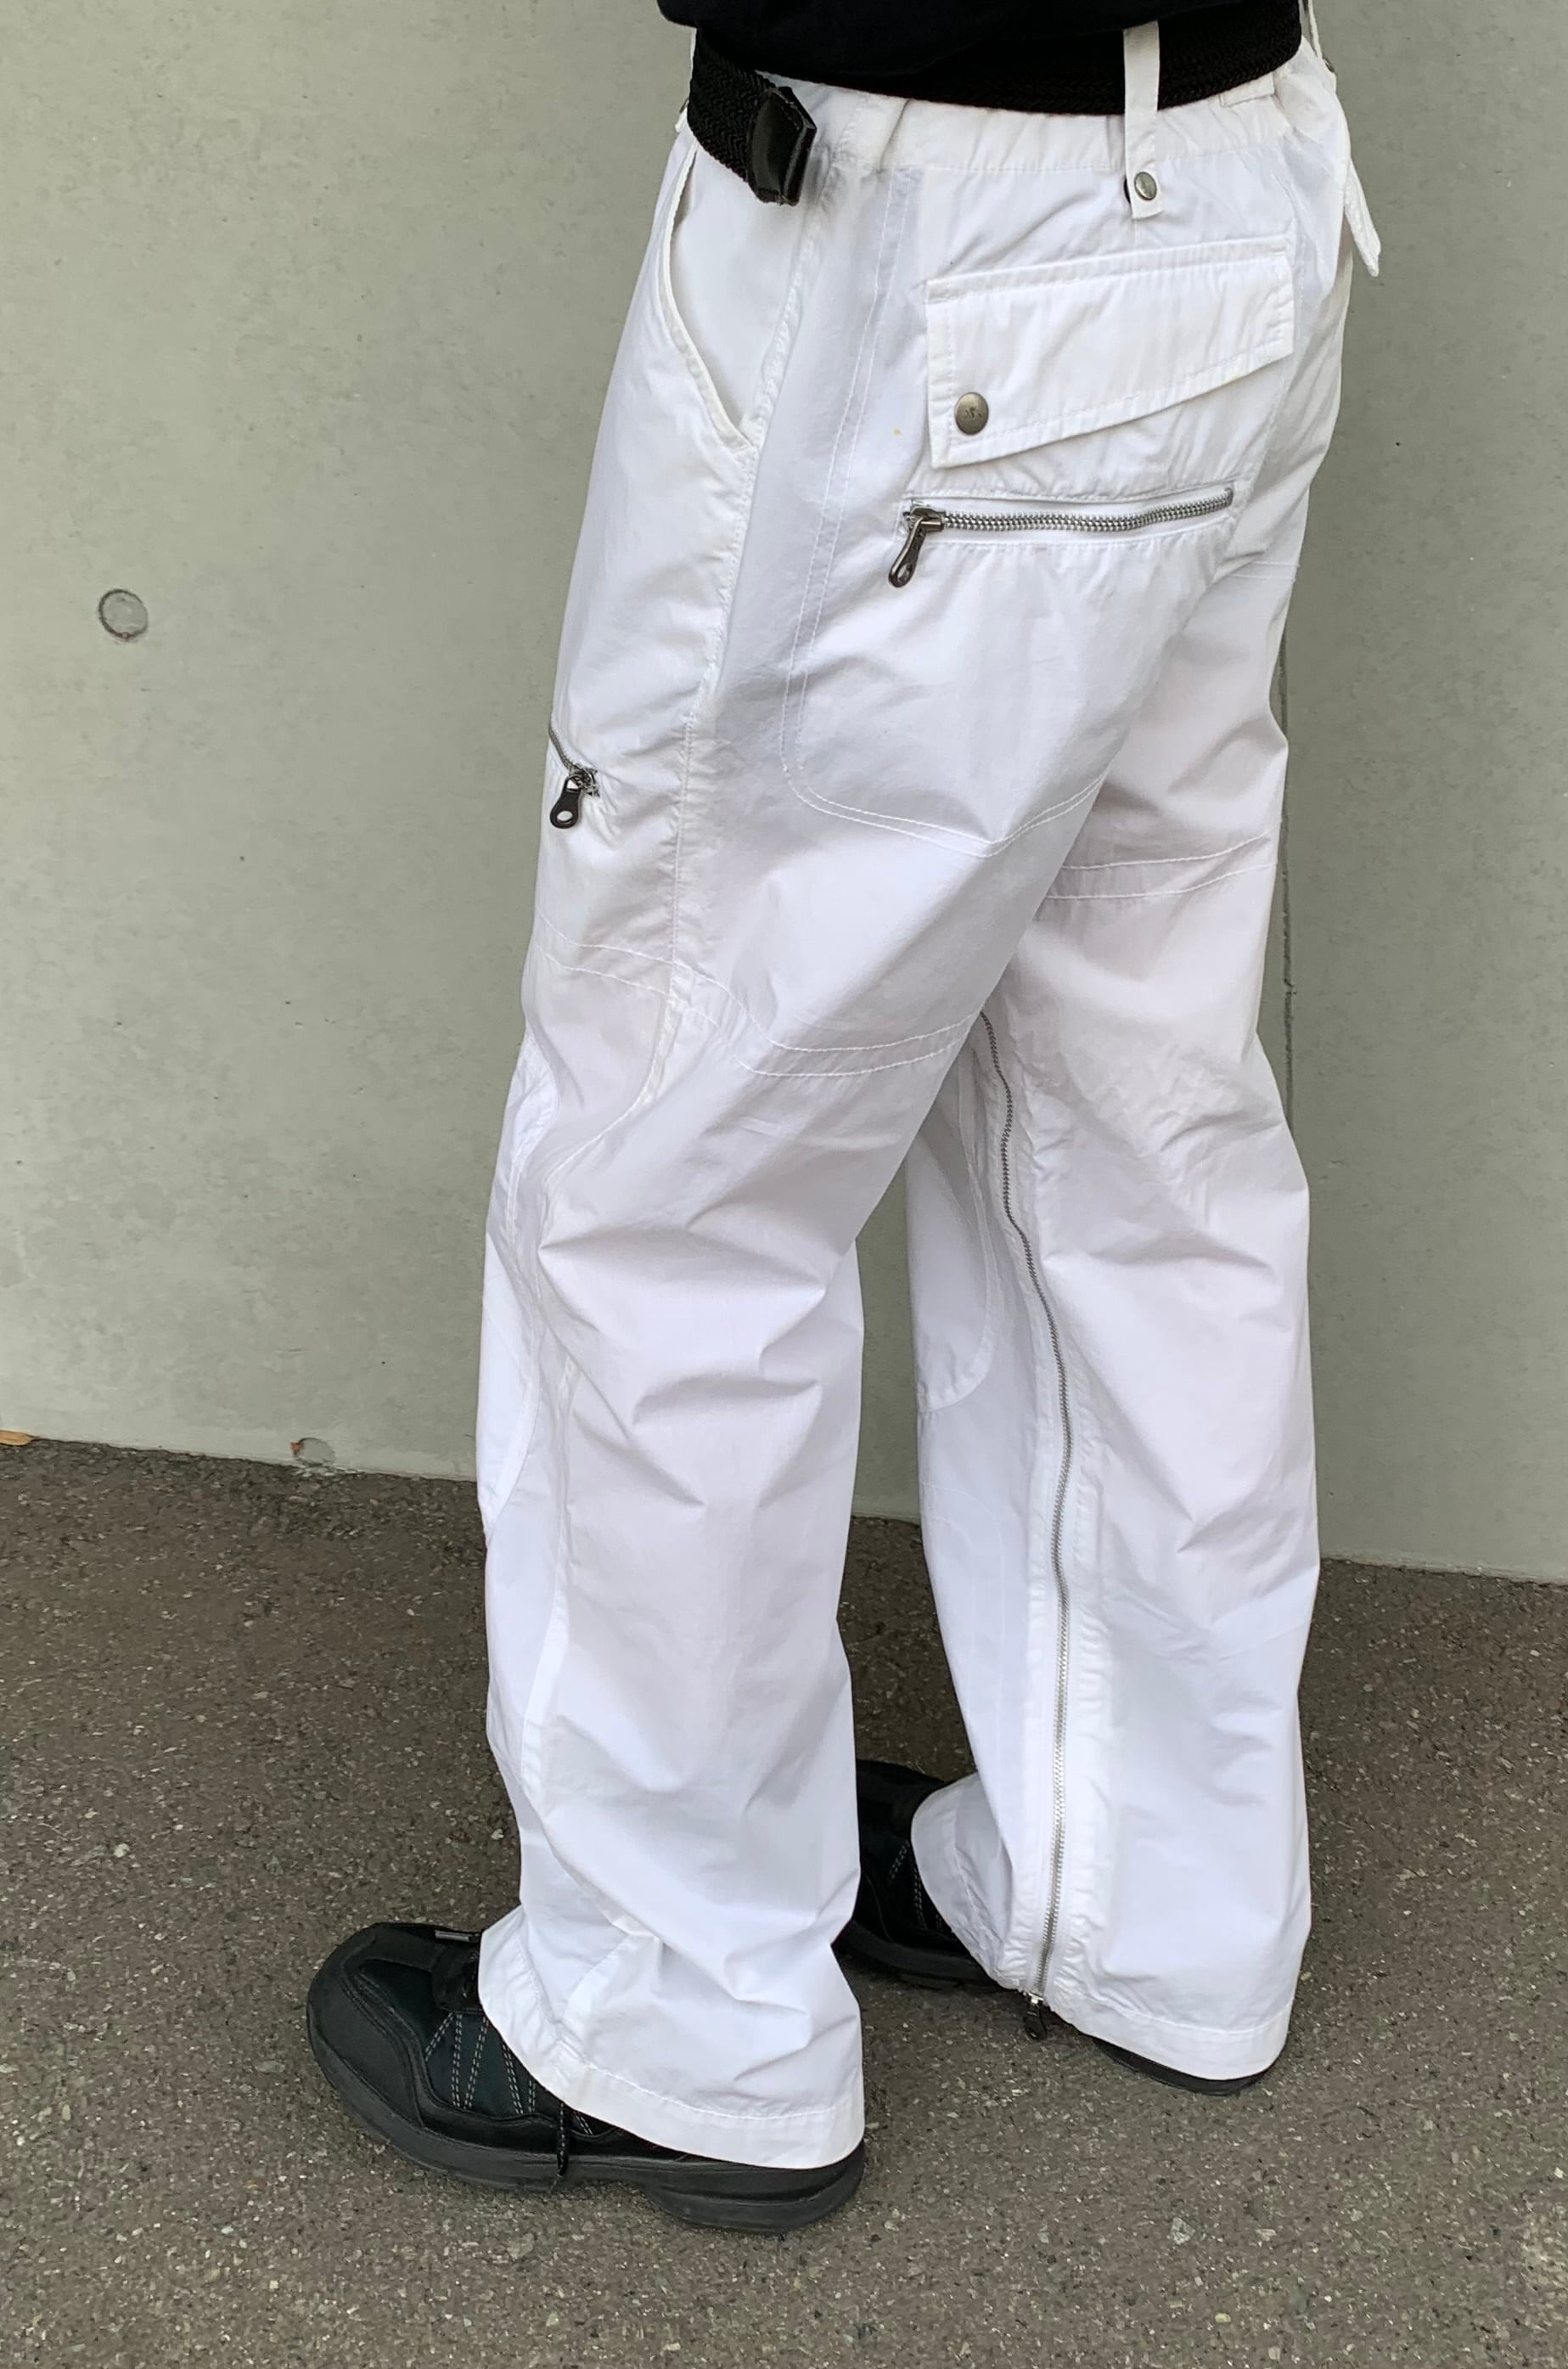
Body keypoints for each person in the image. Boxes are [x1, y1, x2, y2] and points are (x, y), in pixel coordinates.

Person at [306, 0, 1378, 2231]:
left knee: (674, 1164)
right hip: (1242, 155)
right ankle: (1142, 1897)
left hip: (922, 204)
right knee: (1132, 1103)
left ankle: (671, 2014)